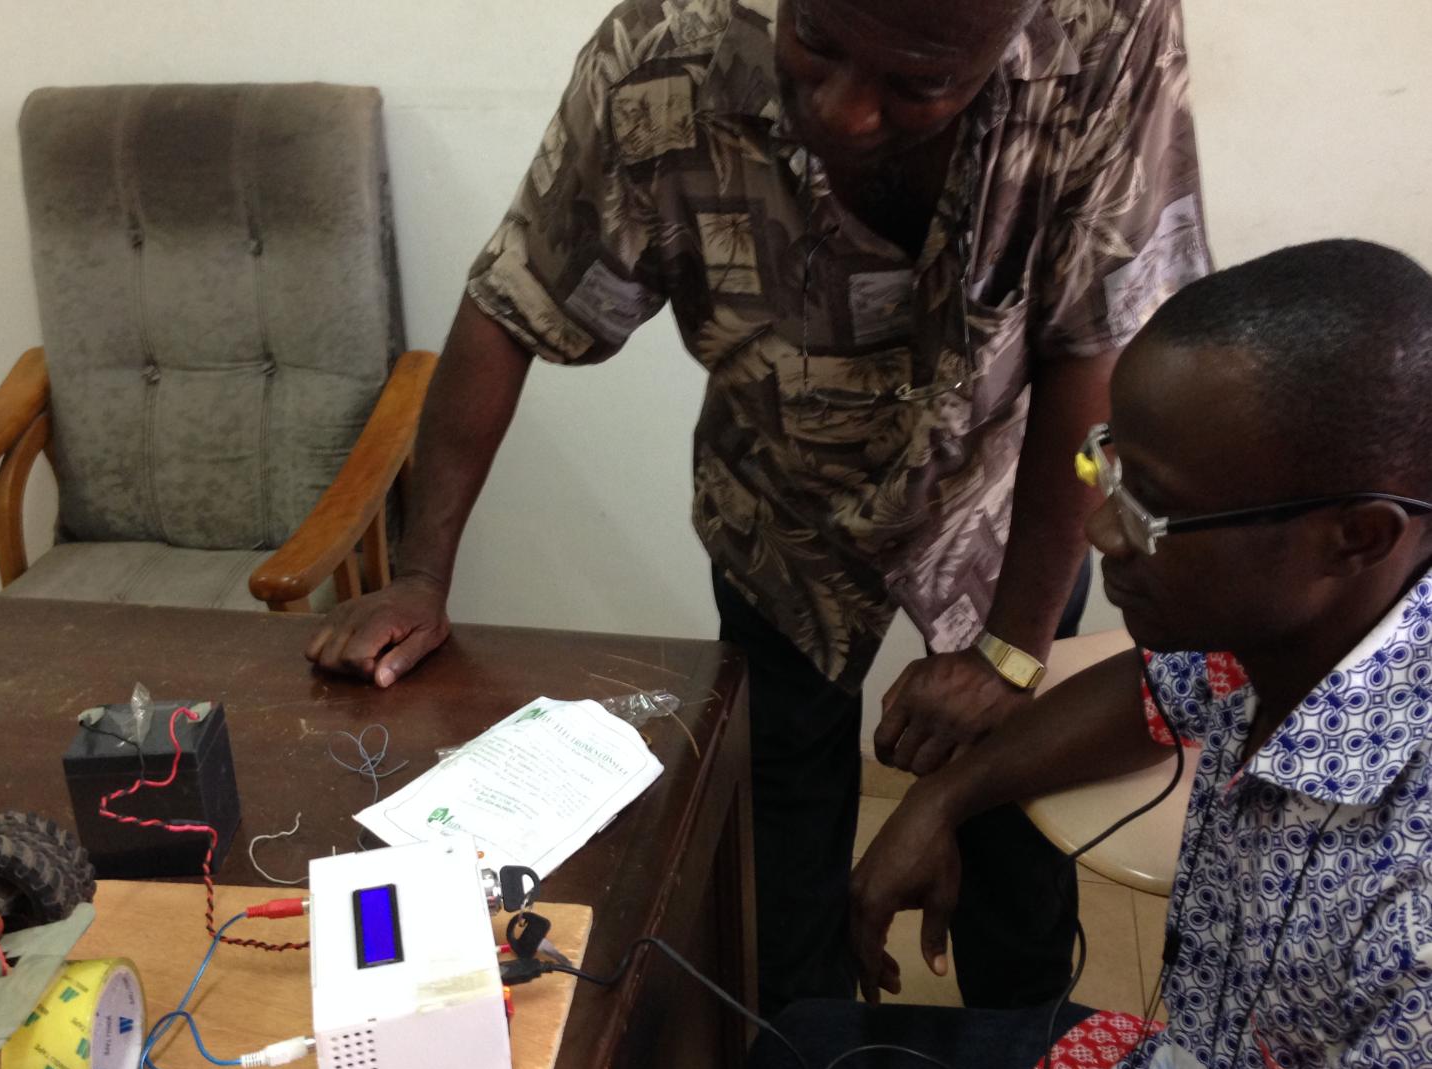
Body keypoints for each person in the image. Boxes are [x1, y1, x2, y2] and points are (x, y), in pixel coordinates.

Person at [306, 0, 1210, 1015]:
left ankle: (1025, 1060)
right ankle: (807, 1060)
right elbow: (513, 298)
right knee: (782, 847)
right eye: (816, 45)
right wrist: (424, 571)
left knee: (1017, 855)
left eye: (919, 84)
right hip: (777, 520)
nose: (847, 114)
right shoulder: (663, 49)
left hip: (1015, 510)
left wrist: (1010, 651)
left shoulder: (1109, 31)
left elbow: (1096, 341)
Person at [748, 238, 1432, 1069]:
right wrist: (943, 798)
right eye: (1108, 464)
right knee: (799, 1054)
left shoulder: (1414, 923)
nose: (1104, 529)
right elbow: (1155, 692)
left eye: (1152, 508)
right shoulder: (1303, 626)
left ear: (1359, 536)